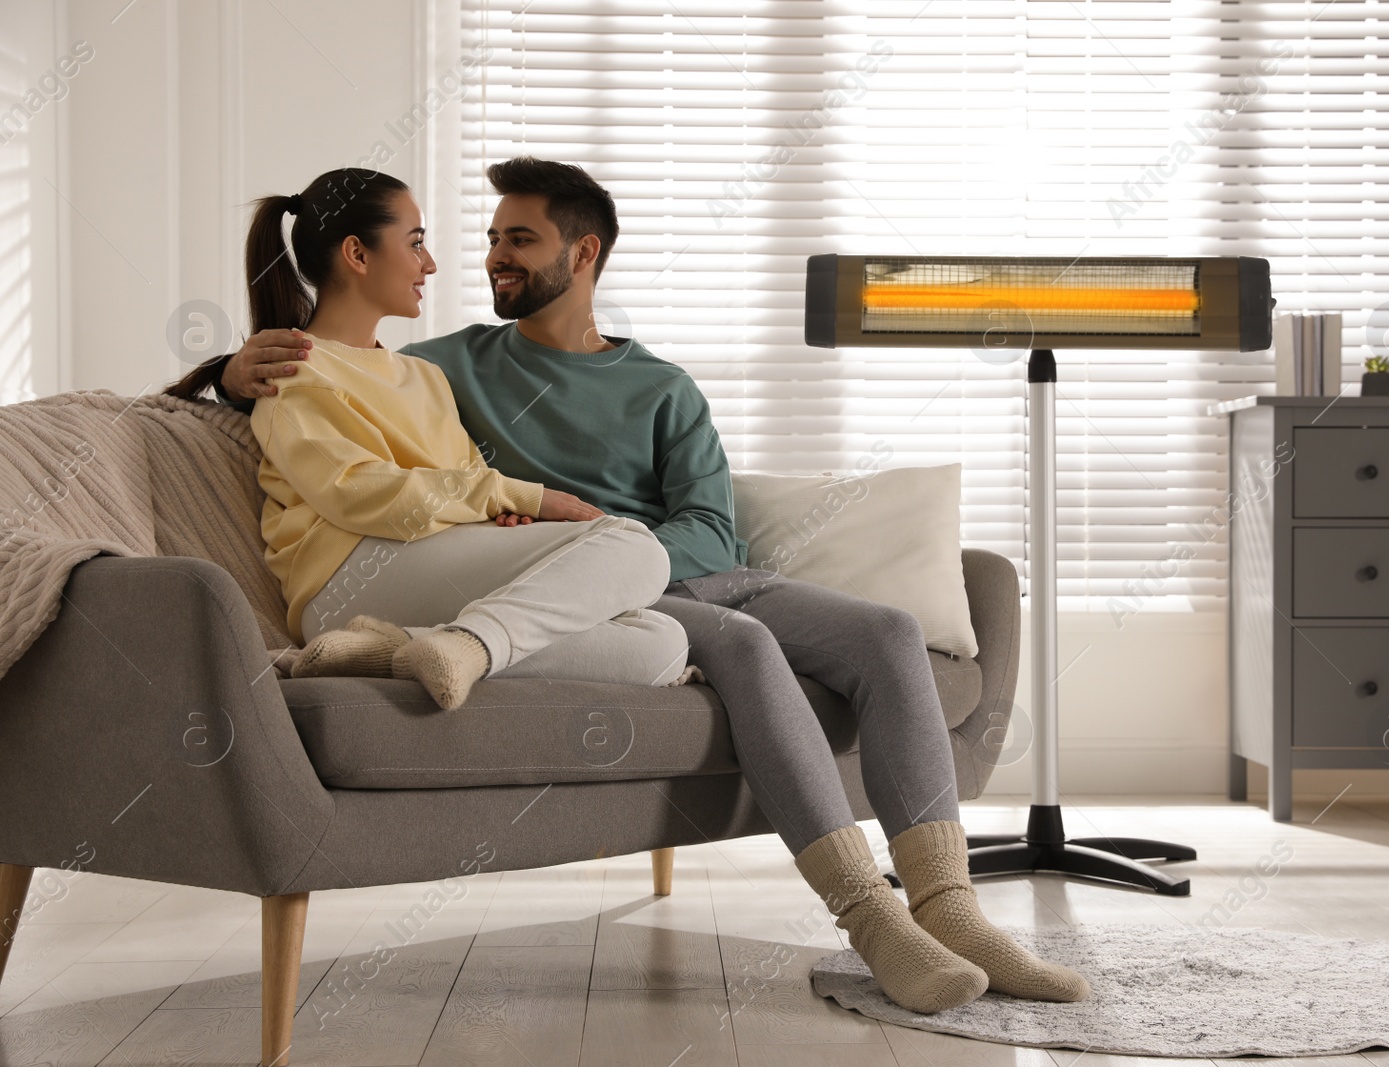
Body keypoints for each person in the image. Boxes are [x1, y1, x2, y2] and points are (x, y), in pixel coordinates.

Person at [188, 158, 1089, 1013]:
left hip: (684, 573)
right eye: (492, 235)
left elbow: (710, 526)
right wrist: (229, 378)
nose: (491, 255)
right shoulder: (454, 363)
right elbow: (339, 395)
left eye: (520, 240)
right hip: (571, 579)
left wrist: (628, 548)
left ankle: (952, 910)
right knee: (740, 645)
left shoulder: (660, 387)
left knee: (891, 632)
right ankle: (873, 918)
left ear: (583, 256)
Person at [166, 168, 690, 710]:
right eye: (415, 243)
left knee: (662, 644)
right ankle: (467, 643)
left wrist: (497, 516)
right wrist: (520, 496)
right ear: (358, 254)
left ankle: (404, 650)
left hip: (431, 565)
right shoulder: (294, 368)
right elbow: (357, 492)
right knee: (635, 545)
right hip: (346, 577)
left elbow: (467, 481)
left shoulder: (424, 375)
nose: (430, 264)